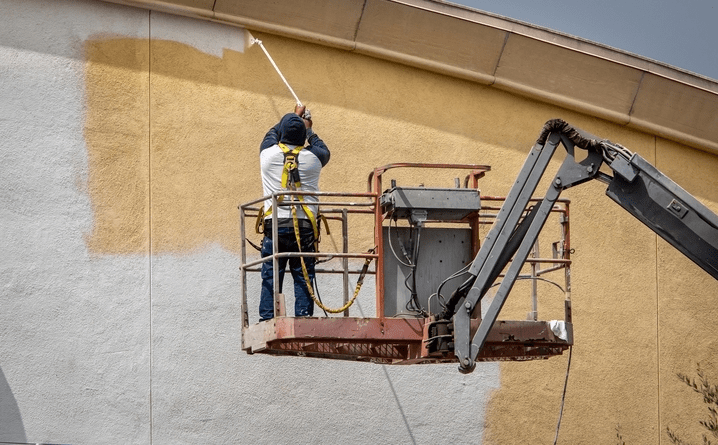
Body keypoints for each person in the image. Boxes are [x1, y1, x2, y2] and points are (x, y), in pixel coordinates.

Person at [258, 105, 330, 321]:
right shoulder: (314, 158)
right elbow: (322, 148)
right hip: (305, 226)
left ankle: (268, 317)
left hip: (276, 226)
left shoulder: (267, 155)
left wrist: (293, 116)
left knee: (271, 273)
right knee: (303, 275)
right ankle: (304, 317)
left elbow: (271, 134)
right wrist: (308, 128)